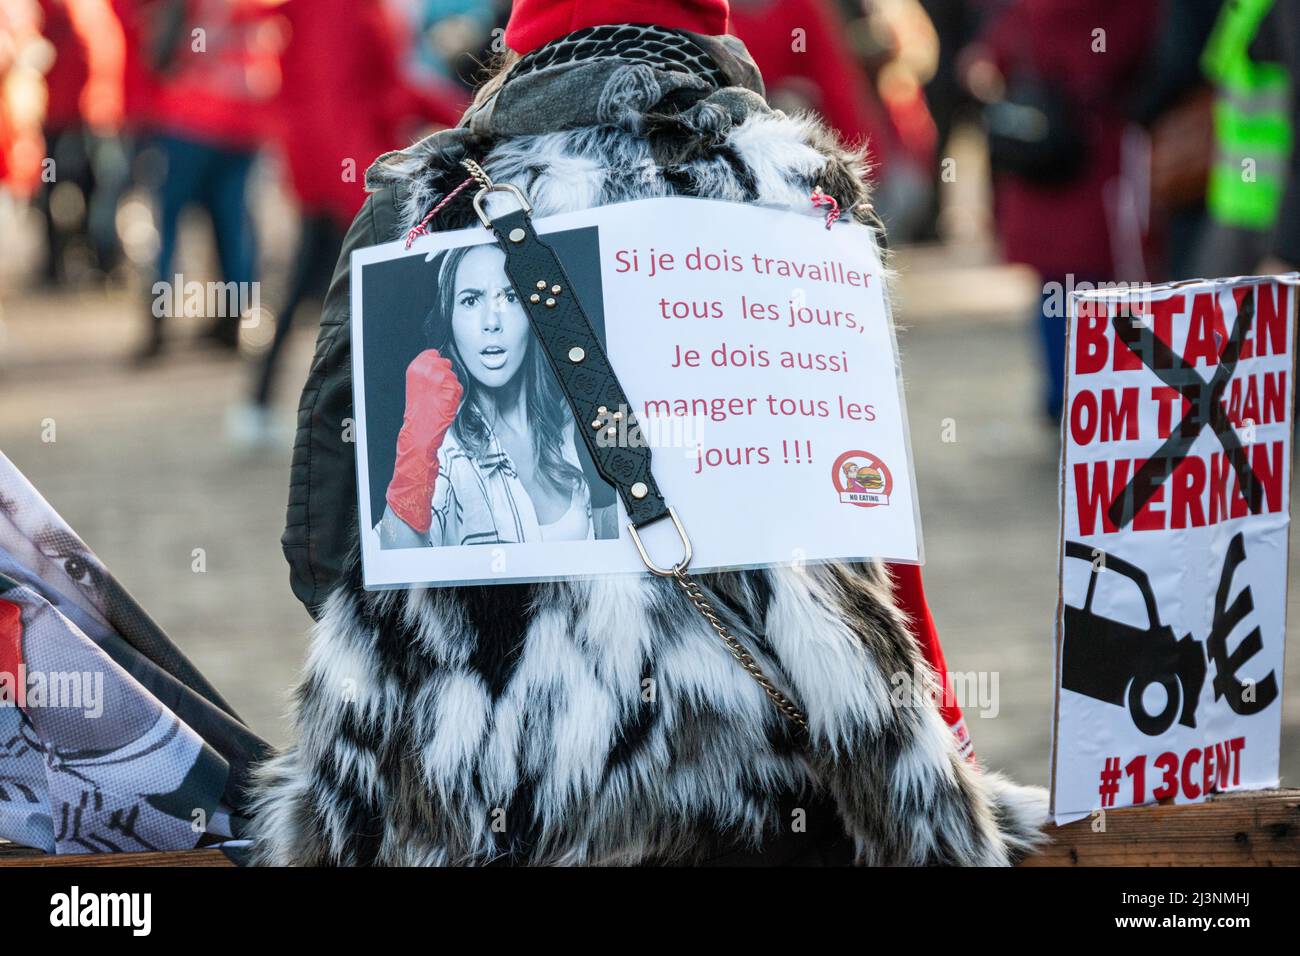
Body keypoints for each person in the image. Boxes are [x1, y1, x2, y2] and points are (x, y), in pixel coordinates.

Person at [248, 0, 1046, 866]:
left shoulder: (422, 208)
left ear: (525, 25)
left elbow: (322, 547)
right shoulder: (797, 198)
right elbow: (870, 548)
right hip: (754, 795)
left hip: (470, 802)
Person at [378, 243, 612, 548]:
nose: (492, 322)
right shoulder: (445, 455)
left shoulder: (575, 426)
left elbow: (622, 556)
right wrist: (416, 446)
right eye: (471, 300)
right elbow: (395, 565)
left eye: (511, 297)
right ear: (448, 318)